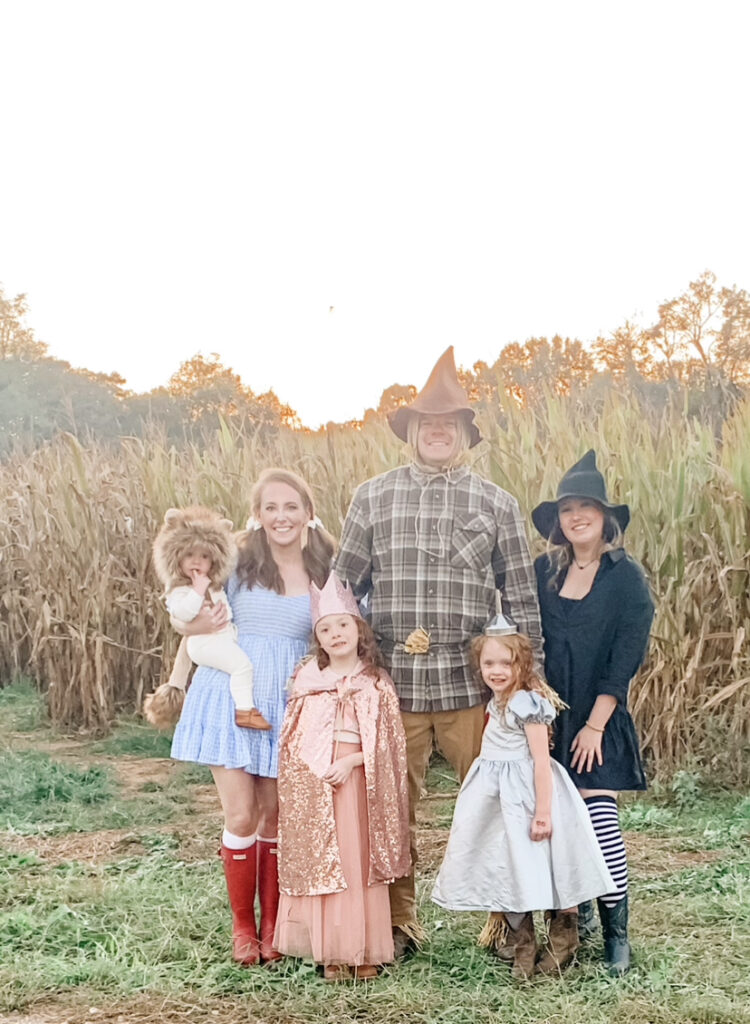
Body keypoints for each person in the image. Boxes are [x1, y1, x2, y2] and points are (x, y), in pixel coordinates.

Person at [334, 346, 544, 955]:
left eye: (448, 424)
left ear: (463, 435)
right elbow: (343, 592)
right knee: (391, 811)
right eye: (426, 422)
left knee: (501, 804)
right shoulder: (373, 497)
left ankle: (507, 922)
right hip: (393, 686)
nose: (436, 431)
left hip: (472, 690)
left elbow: (522, 602)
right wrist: (337, 673)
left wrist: (530, 687)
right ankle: (398, 924)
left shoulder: (496, 503)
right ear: (411, 431)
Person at [163, 469, 335, 966]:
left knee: (275, 816)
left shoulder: (325, 567)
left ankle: (274, 926)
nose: (281, 517)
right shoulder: (236, 564)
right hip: (228, 697)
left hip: (288, 704)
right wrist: (192, 622)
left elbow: (343, 629)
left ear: (307, 511)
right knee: (240, 815)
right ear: (257, 516)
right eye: (270, 508)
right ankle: (243, 929)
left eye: (291, 506)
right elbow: (186, 613)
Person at [431, 617, 614, 979]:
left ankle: (563, 941)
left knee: (544, 863)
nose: (497, 671)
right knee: (508, 864)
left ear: (523, 664)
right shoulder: (495, 701)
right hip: (496, 797)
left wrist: (543, 812)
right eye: (489, 663)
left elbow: (541, 762)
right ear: (479, 665)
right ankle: (523, 943)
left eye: (507, 663)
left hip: (527, 796)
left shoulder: (528, 703)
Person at [531, 450, 654, 976]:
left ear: (605, 517)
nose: (575, 516)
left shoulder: (626, 578)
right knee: (556, 822)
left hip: (595, 716)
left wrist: (595, 724)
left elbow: (625, 657)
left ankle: (616, 935)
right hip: (545, 715)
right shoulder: (543, 570)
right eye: (566, 509)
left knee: (600, 823)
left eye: (586, 507)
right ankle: (571, 926)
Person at [273, 573, 410, 981]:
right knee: (325, 860)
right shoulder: (307, 681)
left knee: (356, 860)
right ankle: (331, 950)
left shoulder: (376, 682)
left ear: (359, 629)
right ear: (318, 638)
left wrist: (353, 763)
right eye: (325, 629)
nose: (335, 635)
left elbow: (390, 744)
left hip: (358, 780)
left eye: (343, 625)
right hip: (319, 783)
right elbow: (293, 739)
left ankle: (363, 948)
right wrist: (312, 774)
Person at [146, 506, 270, 731]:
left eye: (204, 556)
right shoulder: (181, 589)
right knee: (242, 667)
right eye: (190, 555)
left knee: (241, 666)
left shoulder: (213, 585)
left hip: (221, 638)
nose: (197, 562)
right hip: (204, 643)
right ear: (176, 557)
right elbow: (182, 613)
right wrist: (197, 592)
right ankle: (245, 711)